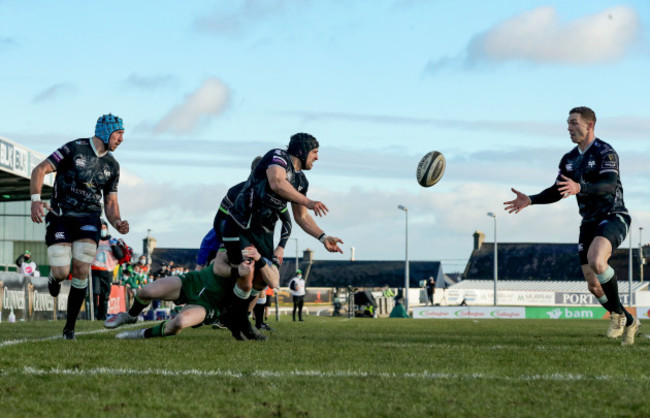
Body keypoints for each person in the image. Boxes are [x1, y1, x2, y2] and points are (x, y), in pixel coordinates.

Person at [504, 106, 640, 346]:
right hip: (588, 222)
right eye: (568, 123)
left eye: (574, 123)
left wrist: (581, 188)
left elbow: (609, 185)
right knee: (593, 286)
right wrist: (532, 199)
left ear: (590, 125)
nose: (569, 127)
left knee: (598, 260)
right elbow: (558, 191)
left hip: (613, 215)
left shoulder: (605, 152)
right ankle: (629, 319)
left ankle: (618, 315)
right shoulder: (568, 159)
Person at [221, 133, 344, 337]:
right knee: (248, 271)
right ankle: (237, 319)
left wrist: (323, 237)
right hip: (241, 225)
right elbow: (277, 182)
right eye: (314, 152)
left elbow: (301, 218)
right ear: (302, 151)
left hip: (263, 232)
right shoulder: (277, 156)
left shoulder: (301, 181)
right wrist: (308, 201)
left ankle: (237, 317)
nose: (317, 158)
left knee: (264, 281)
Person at [30, 114, 129, 340]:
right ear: (105, 132)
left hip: (89, 219)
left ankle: (69, 329)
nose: (122, 139)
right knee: (62, 271)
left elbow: (111, 203)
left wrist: (117, 222)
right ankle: (54, 279)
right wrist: (36, 200)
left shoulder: (113, 165)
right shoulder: (74, 148)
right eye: (119, 133)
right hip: (60, 215)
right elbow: (40, 169)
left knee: (82, 268)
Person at [105, 246, 276, 340]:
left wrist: (260, 262)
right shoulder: (238, 241)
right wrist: (237, 271)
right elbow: (218, 264)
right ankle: (131, 315)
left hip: (209, 304)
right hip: (194, 281)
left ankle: (141, 334)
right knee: (145, 291)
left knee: (179, 323)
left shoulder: (261, 272)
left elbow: (272, 282)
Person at [90, 220, 122, 320]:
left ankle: (102, 316)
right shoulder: (94, 240)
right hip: (94, 269)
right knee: (95, 293)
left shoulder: (112, 240)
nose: (102, 230)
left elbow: (120, 255)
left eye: (104, 228)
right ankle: (93, 315)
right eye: (100, 228)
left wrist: (114, 246)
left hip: (107, 272)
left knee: (104, 296)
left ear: (107, 229)